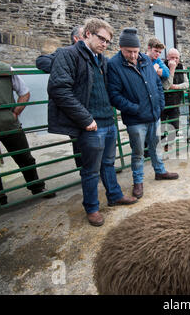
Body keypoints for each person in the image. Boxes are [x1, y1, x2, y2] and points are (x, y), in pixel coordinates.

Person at [47, 18, 137, 227]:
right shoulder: (68, 55)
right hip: (90, 124)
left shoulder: (102, 60)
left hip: (108, 121)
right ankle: (92, 208)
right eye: (102, 39)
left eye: (108, 42)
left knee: (108, 163)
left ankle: (114, 195)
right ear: (88, 33)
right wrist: (85, 119)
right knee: (90, 170)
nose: (105, 44)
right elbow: (59, 89)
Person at [0, 40, 55, 218]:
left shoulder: (4, 68)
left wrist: (14, 113)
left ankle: (37, 187)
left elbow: (24, 92)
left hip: (8, 124)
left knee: (24, 157)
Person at [107, 28, 179, 201]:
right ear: (120, 48)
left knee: (156, 146)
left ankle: (160, 171)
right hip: (135, 119)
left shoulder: (146, 59)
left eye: (135, 51)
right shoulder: (114, 65)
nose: (133, 55)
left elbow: (157, 84)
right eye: (128, 52)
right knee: (138, 151)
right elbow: (114, 95)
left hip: (154, 115)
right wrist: (135, 108)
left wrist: (160, 105)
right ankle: (138, 181)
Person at [36, 26, 85, 168]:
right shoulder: (64, 53)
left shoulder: (91, 54)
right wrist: (66, 66)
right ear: (76, 38)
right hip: (73, 106)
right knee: (79, 142)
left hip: (90, 105)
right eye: (84, 35)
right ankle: (84, 171)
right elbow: (41, 61)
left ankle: (101, 168)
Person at [161, 48, 189, 139]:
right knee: (161, 130)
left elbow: (187, 84)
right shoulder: (162, 67)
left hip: (175, 102)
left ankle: (171, 147)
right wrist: (172, 69)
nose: (175, 60)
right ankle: (162, 145)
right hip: (163, 103)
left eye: (177, 58)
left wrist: (176, 87)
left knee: (175, 127)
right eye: (172, 57)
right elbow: (165, 85)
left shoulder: (182, 67)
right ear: (167, 58)